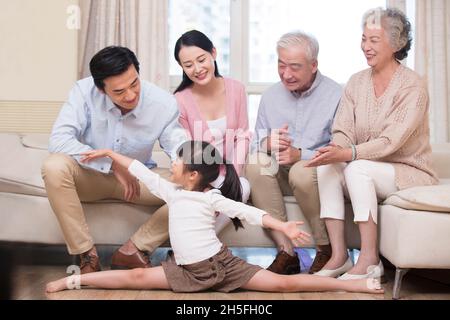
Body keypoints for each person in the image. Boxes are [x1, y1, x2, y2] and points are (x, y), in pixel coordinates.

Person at [46, 141, 383, 295]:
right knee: (134, 279)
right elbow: (136, 169)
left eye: (178, 163)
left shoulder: (212, 198)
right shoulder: (171, 192)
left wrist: (281, 225)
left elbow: (248, 212)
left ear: (192, 175)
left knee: (283, 284)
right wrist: (108, 154)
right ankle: (74, 281)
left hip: (222, 268)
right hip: (185, 272)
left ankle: (352, 286)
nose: (172, 165)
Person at [305, 7, 438, 280]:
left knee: (356, 168)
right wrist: (335, 150)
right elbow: (343, 129)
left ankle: (369, 260)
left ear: (396, 44)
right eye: (363, 39)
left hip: (406, 171)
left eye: (373, 40)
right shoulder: (356, 82)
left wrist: (348, 153)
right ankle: (339, 257)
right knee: (326, 168)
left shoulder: (412, 86)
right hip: (368, 167)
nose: (365, 46)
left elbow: (391, 141)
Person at [41, 46, 187, 274]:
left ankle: (133, 249)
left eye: (134, 84)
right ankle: (87, 255)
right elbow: (59, 140)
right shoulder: (83, 92)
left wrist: (193, 165)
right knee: (54, 166)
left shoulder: (163, 102)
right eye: (119, 92)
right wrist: (112, 163)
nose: (130, 96)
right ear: (101, 89)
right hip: (92, 177)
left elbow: (179, 148)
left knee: (196, 190)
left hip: (138, 180)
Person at [246, 31, 342, 275]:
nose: (286, 74)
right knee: (256, 162)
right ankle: (286, 252)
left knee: (300, 170)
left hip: (316, 177)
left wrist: (302, 155)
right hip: (279, 173)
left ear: (313, 65)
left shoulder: (337, 95)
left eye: (295, 67)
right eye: (281, 65)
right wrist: (267, 142)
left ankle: (325, 249)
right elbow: (255, 142)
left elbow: (341, 148)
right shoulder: (270, 96)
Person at [174, 30, 251, 233]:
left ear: (213, 53)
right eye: (188, 65)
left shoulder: (236, 89)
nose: (197, 69)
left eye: (201, 60)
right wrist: (203, 183)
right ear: (182, 67)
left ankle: (199, 248)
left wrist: (232, 177)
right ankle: (197, 250)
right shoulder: (181, 99)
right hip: (199, 174)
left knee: (242, 187)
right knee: (201, 199)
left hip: (230, 173)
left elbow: (243, 135)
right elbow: (187, 147)